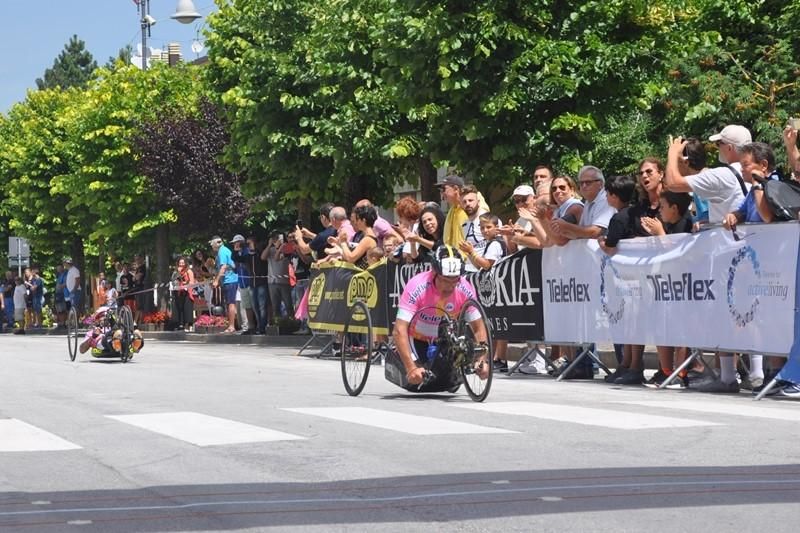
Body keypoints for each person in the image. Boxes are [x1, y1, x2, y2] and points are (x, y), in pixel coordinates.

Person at [387, 245, 490, 391]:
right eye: (446, 280)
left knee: (448, 382)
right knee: (418, 381)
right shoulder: (417, 286)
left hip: (445, 338)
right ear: (435, 272)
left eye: (455, 280)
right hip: (416, 337)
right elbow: (399, 329)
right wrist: (410, 367)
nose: (451, 285)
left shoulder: (464, 287)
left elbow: (479, 327)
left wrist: (482, 360)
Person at [210, 235, 239, 334]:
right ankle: (233, 325)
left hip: (230, 280)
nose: (212, 246)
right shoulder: (224, 250)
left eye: (212, 244)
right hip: (228, 280)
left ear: (216, 243)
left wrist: (216, 281)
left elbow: (223, 268)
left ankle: (232, 326)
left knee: (231, 303)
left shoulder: (222, 251)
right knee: (229, 303)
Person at [231, 234, 256, 333]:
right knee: (246, 306)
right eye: (234, 244)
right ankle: (250, 326)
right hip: (241, 283)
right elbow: (235, 266)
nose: (236, 245)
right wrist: (235, 252)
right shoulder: (237, 254)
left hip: (250, 282)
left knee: (255, 305)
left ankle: (259, 325)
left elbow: (246, 263)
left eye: (237, 243)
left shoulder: (247, 252)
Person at [172, 256, 195, 331]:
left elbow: (192, 282)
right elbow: (173, 280)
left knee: (187, 308)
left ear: (185, 263)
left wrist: (185, 284)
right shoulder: (176, 271)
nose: (181, 264)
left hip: (187, 292)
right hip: (179, 292)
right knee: (179, 308)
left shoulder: (189, 271)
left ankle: (189, 324)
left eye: (183, 263)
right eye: (180, 263)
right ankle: (180, 324)